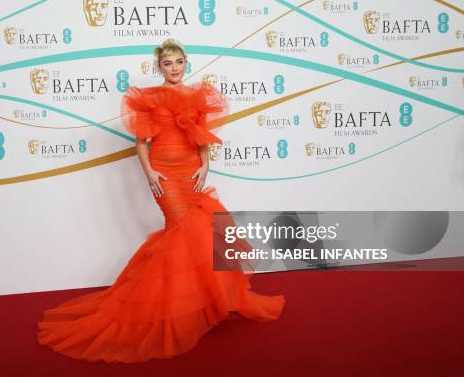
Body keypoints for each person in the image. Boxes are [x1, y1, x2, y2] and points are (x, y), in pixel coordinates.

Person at [37, 38, 285, 363]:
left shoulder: (197, 96)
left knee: (200, 235)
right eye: (167, 64)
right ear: (159, 67)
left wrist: (206, 164)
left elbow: (200, 136)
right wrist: (150, 173)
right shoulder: (150, 98)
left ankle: (198, 306)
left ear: (186, 64)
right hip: (165, 174)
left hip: (191, 171)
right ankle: (175, 310)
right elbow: (141, 143)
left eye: (179, 62)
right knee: (182, 232)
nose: (174, 69)